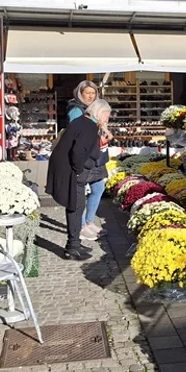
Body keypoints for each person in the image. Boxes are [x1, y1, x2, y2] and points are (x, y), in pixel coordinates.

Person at [47, 99, 112, 260]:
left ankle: (74, 243)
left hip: (67, 169)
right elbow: (78, 153)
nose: (107, 120)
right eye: (107, 116)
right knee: (75, 206)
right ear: (101, 113)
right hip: (71, 171)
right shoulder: (89, 126)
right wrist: (78, 171)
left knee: (76, 205)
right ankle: (72, 247)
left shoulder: (83, 122)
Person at [65, 81, 110, 238]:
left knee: (98, 188)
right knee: (80, 192)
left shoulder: (95, 108)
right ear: (80, 93)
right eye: (87, 93)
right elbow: (78, 133)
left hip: (96, 156)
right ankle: (81, 226)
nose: (91, 96)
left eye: (93, 93)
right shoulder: (76, 110)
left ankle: (89, 222)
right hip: (84, 157)